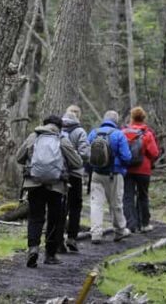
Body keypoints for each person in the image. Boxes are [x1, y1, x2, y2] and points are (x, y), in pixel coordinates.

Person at [15, 114, 82, 267]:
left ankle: (33, 249)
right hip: (56, 186)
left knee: (35, 217)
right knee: (54, 219)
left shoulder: (33, 137)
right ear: (59, 127)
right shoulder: (61, 139)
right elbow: (77, 162)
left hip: (34, 183)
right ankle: (50, 255)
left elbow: (19, 158)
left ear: (44, 124)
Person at [86, 110, 132, 244]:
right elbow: (127, 157)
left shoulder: (93, 133)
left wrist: (90, 169)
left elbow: (87, 153)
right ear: (115, 121)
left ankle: (95, 234)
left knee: (96, 204)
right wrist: (121, 167)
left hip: (96, 174)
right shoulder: (119, 134)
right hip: (114, 174)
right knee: (116, 204)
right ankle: (119, 231)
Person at [122, 106, 159, 233]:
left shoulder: (124, 132)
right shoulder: (147, 134)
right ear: (144, 118)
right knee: (143, 196)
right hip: (143, 170)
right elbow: (154, 153)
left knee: (128, 196)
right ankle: (144, 224)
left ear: (131, 117)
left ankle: (130, 224)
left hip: (127, 169)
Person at [60, 107, 89, 252]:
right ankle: (72, 237)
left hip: (59, 175)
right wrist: (74, 156)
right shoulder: (80, 132)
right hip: (75, 175)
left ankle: (58, 239)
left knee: (60, 207)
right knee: (75, 207)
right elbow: (85, 154)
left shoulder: (56, 131)